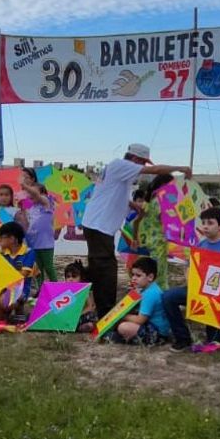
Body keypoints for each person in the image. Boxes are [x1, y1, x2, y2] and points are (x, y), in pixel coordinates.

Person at [81, 143, 191, 317]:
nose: (144, 167)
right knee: (107, 268)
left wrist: (134, 206)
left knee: (99, 267)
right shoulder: (120, 165)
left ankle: (95, 304)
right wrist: (180, 168)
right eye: (143, 163)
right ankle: (105, 311)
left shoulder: (119, 172)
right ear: (135, 159)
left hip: (98, 226)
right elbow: (156, 170)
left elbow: (113, 194)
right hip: (99, 226)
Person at [163, 207, 220, 352]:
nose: (205, 226)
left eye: (210, 223)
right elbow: (190, 268)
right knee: (168, 297)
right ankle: (183, 338)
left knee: (213, 342)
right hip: (197, 290)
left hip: (217, 298)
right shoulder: (200, 245)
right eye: (203, 222)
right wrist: (191, 283)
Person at [112, 257, 171, 345]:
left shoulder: (150, 294)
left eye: (138, 275)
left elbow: (140, 320)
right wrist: (132, 294)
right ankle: (123, 336)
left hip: (157, 333)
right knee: (122, 323)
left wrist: (122, 315)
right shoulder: (149, 288)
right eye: (133, 275)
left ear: (150, 277)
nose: (134, 278)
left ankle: (124, 338)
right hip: (152, 326)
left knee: (123, 327)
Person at [134, 174, 174, 289]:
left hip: (147, 242)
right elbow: (167, 223)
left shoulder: (147, 202)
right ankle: (158, 298)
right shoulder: (162, 202)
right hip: (159, 243)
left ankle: (145, 294)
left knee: (147, 271)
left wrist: (135, 238)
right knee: (159, 273)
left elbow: (137, 221)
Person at [22, 179, 57, 284]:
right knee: (37, 270)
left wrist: (25, 185)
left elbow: (37, 196)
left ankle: (56, 287)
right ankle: (41, 290)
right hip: (33, 243)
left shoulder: (47, 203)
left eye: (33, 192)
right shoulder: (31, 208)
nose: (31, 195)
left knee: (49, 267)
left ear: (43, 194)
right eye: (29, 193)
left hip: (46, 244)